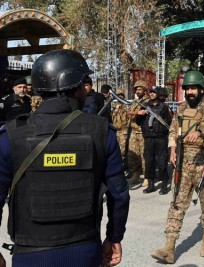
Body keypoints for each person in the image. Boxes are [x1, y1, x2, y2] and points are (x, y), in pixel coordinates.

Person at [0, 49, 130, 267]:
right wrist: (114, 237)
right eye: (83, 84)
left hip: (29, 254)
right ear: (75, 87)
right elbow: (120, 195)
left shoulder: (10, 135)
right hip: (85, 249)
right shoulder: (102, 132)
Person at [151, 70, 204, 264]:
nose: (190, 92)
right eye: (187, 89)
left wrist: (201, 134)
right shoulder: (181, 108)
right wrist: (173, 149)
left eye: (193, 88)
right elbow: (173, 131)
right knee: (176, 205)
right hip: (182, 164)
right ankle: (169, 247)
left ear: (201, 89)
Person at [136, 86, 172, 195]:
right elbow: (138, 122)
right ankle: (151, 184)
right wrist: (139, 114)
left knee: (162, 162)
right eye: (150, 92)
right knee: (149, 161)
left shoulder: (164, 107)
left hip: (161, 138)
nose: (151, 94)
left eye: (153, 92)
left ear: (158, 94)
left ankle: (164, 184)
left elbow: (169, 122)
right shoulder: (146, 106)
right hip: (148, 137)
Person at [127, 80, 149, 186]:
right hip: (133, 131)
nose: (138, 91)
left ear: (144, 90)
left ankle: (146, 176)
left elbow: (142, 113)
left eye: (140, 89)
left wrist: (133, 113)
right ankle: (135, 174)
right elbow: (130, 112)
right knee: (132, 154)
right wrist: (135, 112)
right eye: (136, 89)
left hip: (142, 131)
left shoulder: (147, 101)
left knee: (144, 154)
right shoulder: (135, 102)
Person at [111, 89, 129, 164]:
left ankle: (124, 166)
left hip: (123, 131)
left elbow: (128, 119)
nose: (120, 97)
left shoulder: (126, 106)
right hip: (115, 131)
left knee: (123, 151)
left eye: (121, 95)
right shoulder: (114, 107)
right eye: (118, 95)